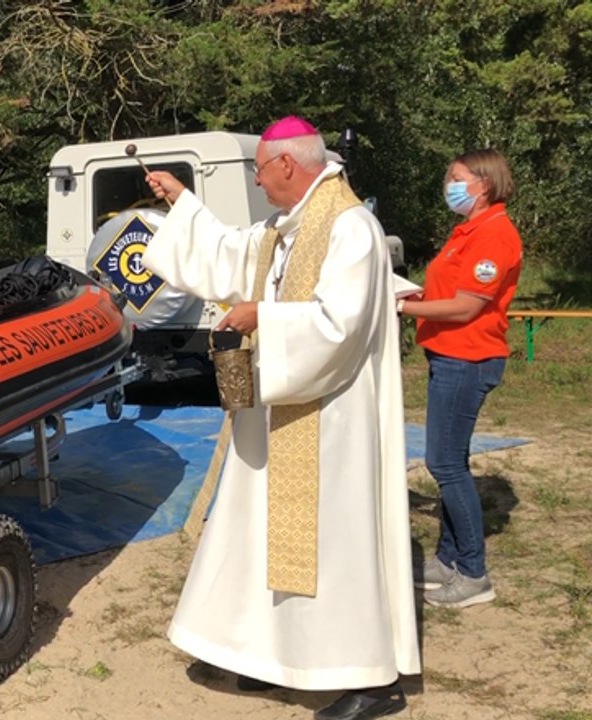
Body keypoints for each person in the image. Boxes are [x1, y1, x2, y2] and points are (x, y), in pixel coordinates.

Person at [141, 116, 419, 720]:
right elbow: (229, 255)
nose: (259, 184)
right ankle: (272, 656)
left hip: (331, 417)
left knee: (333, 540)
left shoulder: (350, 229)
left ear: (288, 165)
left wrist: (262, 317)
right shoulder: (283, 228)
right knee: (262, 532)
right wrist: (183, 201)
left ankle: (367, 676)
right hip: (280, 408)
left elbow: (338, 326)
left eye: (261, 171)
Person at [397, 149, 521, 609]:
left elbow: (468, 306)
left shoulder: (494, 235)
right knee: (450, 460)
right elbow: (448, 292)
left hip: (467, 358)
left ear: (482, 183)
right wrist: (416, 294)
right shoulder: (467, 231)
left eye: (455, 177)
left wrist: (402, 308)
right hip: (449, 355)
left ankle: (472, 572)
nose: (448, 185)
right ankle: (447, 560)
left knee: (445, 464)